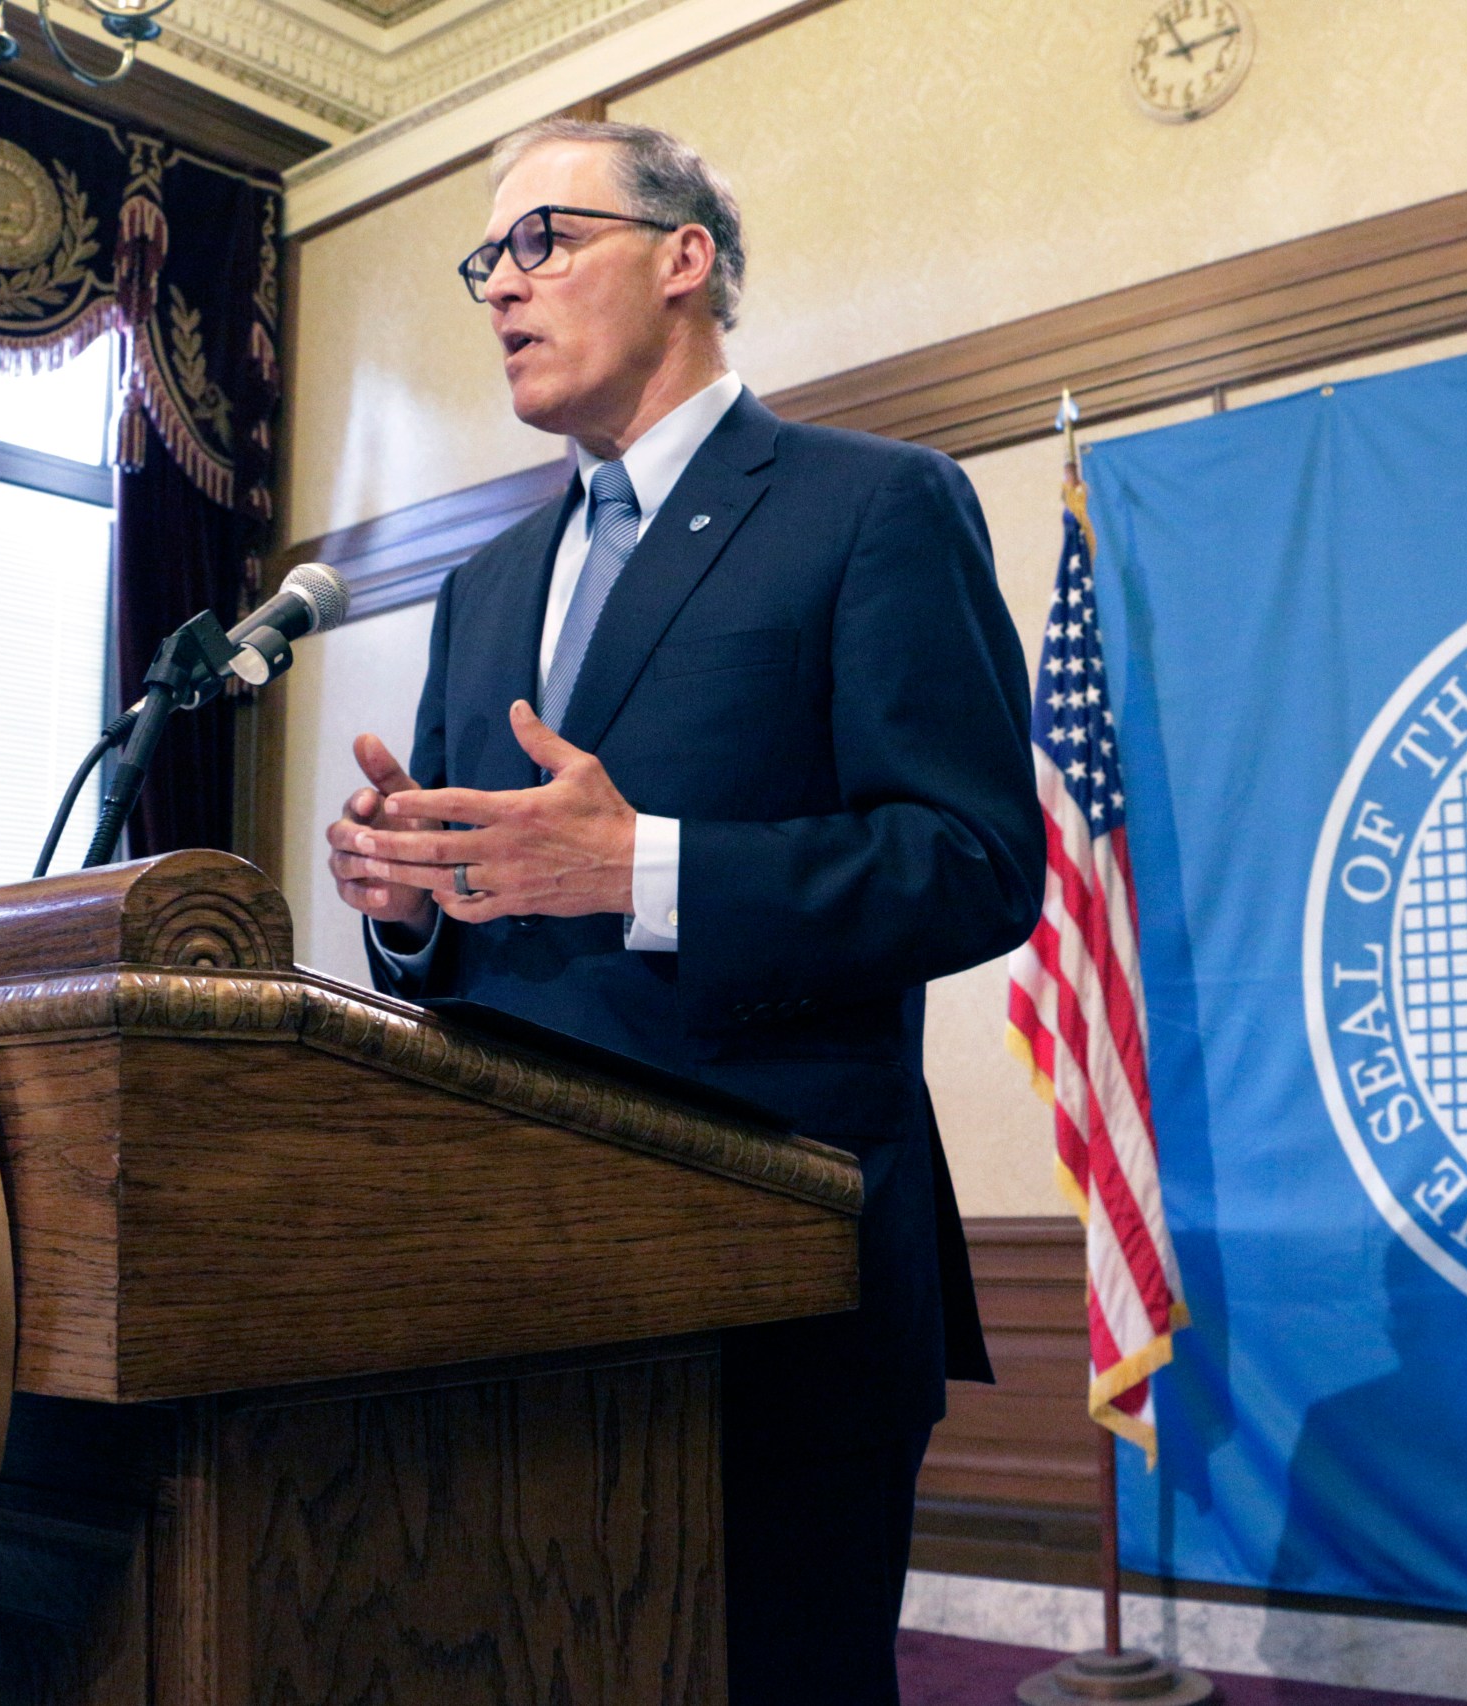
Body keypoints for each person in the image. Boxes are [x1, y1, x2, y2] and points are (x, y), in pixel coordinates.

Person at [325, 117, 1044, 1703]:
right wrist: (408, 895)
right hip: (511, 1283)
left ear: (684, 257)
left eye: (543, 242)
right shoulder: (487, 583)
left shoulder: (875, 507)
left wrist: (642, 866)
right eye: (484, 264)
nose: (501, 289)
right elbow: (484, 902)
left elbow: (979, 861)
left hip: (777, 1273)